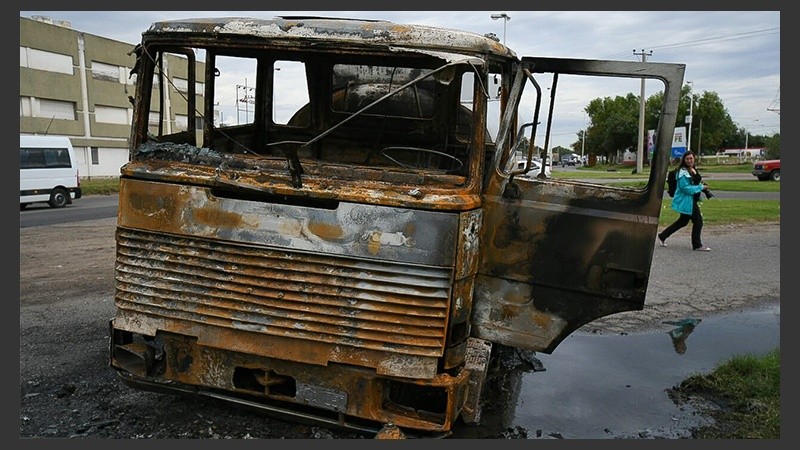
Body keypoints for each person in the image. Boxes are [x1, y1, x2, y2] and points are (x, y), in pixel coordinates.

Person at [657, 151, 712, 251]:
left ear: (694, 158)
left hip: (691, 199)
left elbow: (696, 181)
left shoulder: (692, 169)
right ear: (684, 160)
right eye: (687, 159)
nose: (689, 160)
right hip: (687, 200)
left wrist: (703, 188)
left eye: (691, 158)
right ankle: (697, 245)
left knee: (682, 221)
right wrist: (700, 187)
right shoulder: (682, 172)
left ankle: (662, 236)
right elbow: (685, 188)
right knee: (698, 221)